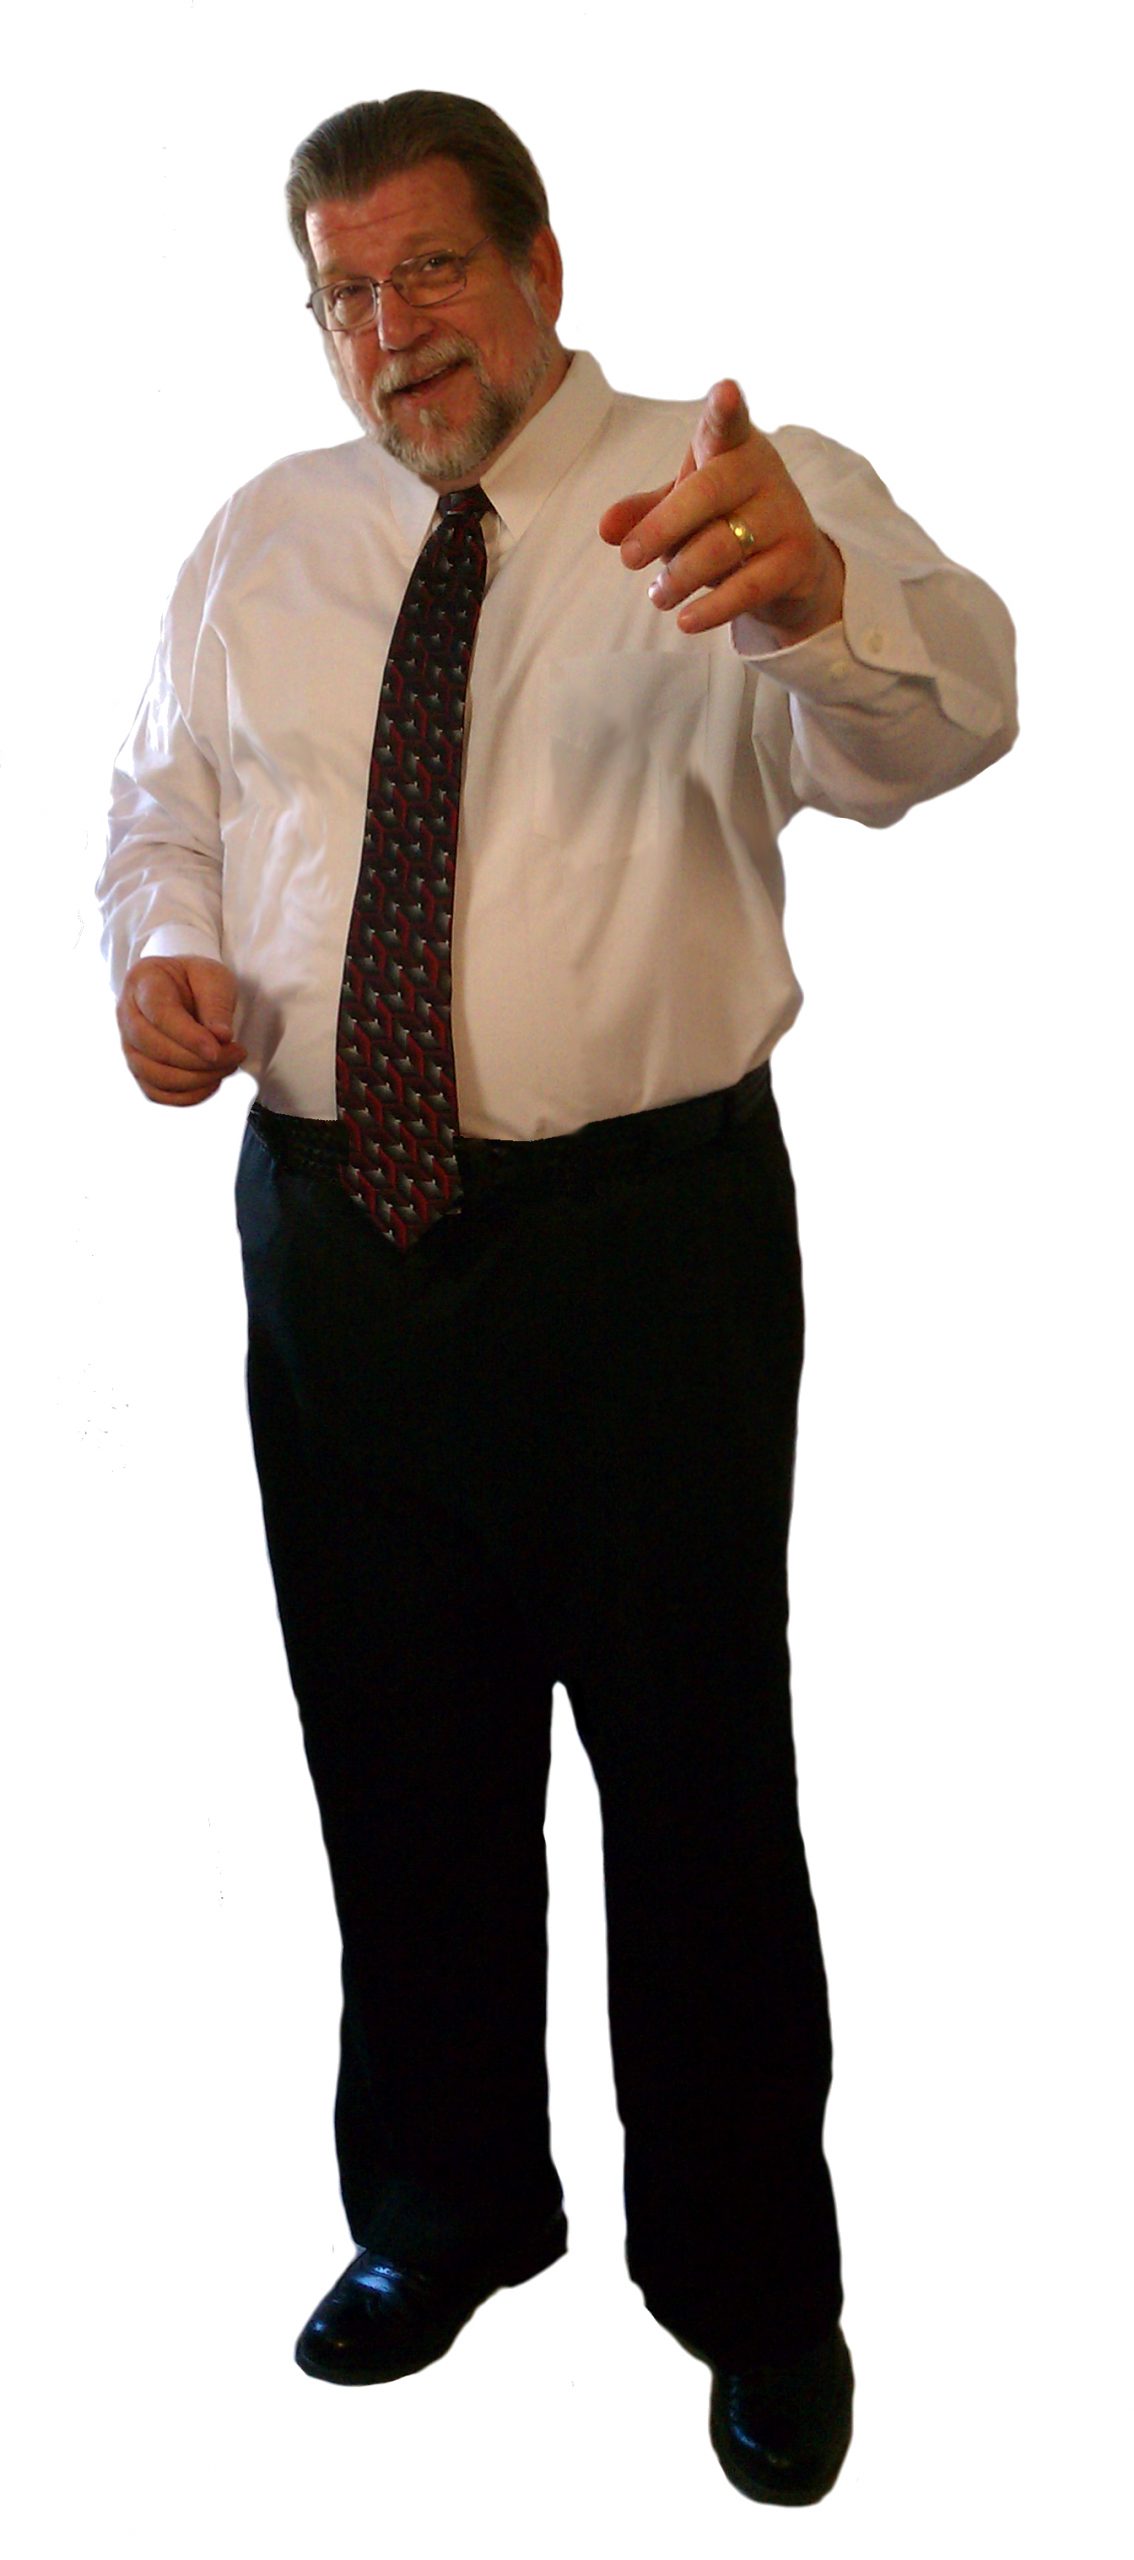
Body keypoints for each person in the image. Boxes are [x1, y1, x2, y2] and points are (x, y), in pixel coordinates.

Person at [98, 89, 1017, 2507]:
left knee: (695, 1778)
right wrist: (162, 950)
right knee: (393, 1757)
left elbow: (951, 720)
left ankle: (753, 2282)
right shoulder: (264, 535)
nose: (391, 330)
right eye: (345, 291)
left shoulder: (731, 486)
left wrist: (819, 602)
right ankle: (442, 2208)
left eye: (431, 269)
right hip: (336, 1245)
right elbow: (161, 797)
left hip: (646, 1258)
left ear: (539, 264)